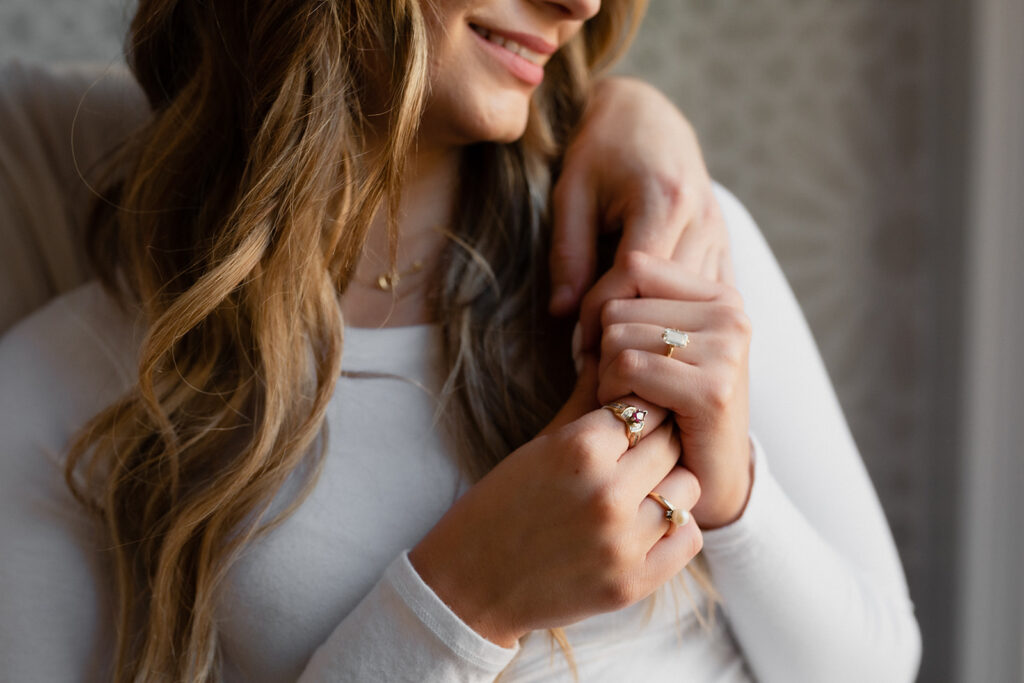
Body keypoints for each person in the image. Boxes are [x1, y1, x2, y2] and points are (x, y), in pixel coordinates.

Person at [0, 1, 921, 682]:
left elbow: (879, 663)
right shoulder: (64, 389)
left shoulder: (673, 241)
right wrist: (464, 600)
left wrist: (738, 499)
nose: (581, 5)